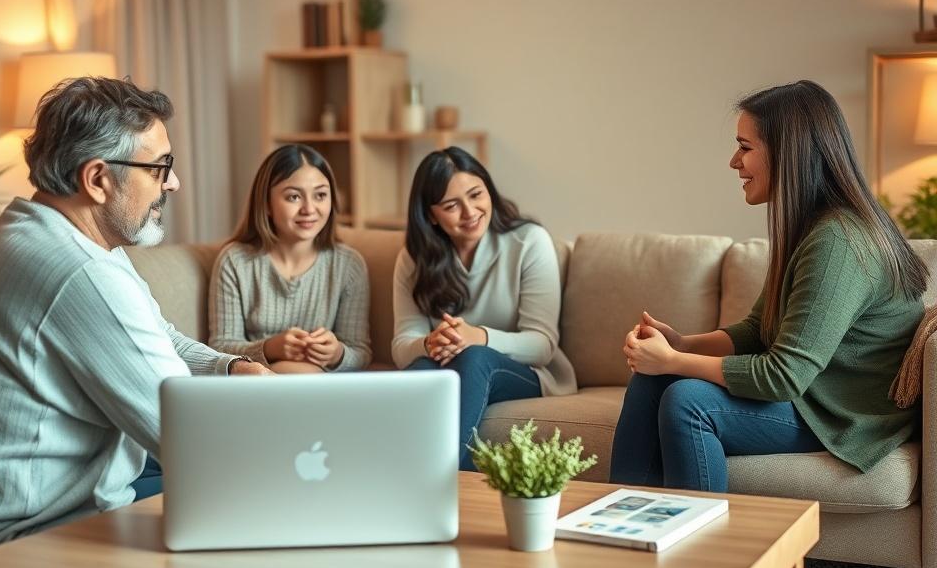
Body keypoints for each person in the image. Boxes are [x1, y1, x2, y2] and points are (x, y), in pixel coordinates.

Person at [0, 77, 269, 568]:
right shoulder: (76, 271)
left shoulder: (54, 234)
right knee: (252, 534)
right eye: (160, 167)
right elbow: (191, 438)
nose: (173, 182)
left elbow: (161, 337)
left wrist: (230, 369)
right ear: (98, 179)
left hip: (19, 533)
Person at [610, 80, 928, 492]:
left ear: (788, 153)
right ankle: (623, 519)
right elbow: (759, 329)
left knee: (688, 402)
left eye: (744, 147)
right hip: (815, 396)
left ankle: (701, 535)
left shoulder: (839, 241)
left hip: (845, 415)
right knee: (651, 380)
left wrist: (673, 361)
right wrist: (683, 344)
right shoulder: (810, 228)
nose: (734, 162)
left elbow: (783, 376)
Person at [391, 147, 576, 469]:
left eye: (476, 195)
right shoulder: (414, 259)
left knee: (474, 357)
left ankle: (437, 478)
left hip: (526, 373)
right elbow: (402, 346)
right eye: (451, 205)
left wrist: (478, 337)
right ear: (431, 215)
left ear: (489, 190)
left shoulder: (529, 241)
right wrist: (429, 343)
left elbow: (542, 345)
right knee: (420, 371)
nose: (470, 212)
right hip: (448, 367)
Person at [208, 144, 370, 373]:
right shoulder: (235, 261)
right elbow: (220, 347)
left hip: (321, 383)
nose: (309, 209)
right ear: (266, 204)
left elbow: (361, 352)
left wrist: (337, 354)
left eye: (320, 195)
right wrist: (270, 348)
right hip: (256, 381)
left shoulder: (349, 265)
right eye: (294, 197)